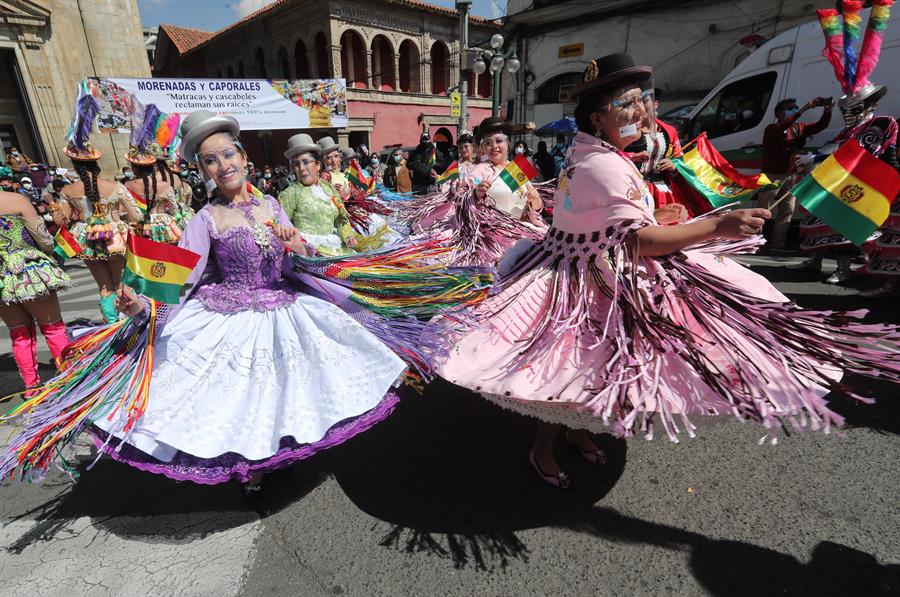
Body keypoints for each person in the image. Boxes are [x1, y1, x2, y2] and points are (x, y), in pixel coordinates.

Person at [435, 52, 900, 488]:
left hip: (583, 262)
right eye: (626, 103)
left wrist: (657, 217)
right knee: (562, 369)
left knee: (582, 370)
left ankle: (575, 434)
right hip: (588, 277)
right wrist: (718, 225)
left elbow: (608, 221)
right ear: (598, 117)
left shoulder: (588, 152)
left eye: (641, 100)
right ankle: (543, 449)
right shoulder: (604, 165)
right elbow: (636, 243)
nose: (639, 111)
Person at [0, 109, 492, 488]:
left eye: (228, 155)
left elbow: (291, 262)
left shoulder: (274, 204)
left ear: (244, 157)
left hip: (281, 304)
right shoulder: (204, 220)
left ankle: (274, 450)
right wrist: (141, 305)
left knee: (284, 391)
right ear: (205, 170)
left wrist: (295, 246)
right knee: (243, 396)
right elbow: (181, 279)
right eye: (210, 160)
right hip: (229, 312)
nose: (223, 165)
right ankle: (251, 466)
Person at [0, 190, 70, 395]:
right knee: (53, 327)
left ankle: (31, 388)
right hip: (27, 269)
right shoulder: (16, 199)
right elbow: (44, 239)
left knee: (19, 334)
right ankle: (70, 380)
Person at [758, 96, 834, 251]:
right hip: (771, 176)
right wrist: (803, 109)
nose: (794, 110)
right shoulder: (772, 128)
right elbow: (784, 127)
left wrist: (828, 111)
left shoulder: (799, 128)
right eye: (790, 108)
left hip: (790, 175)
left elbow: (821, 126)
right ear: (779, 114)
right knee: (762, 211)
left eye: (795, 107)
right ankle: (753, 242)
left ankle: (777, 244)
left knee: (787, 211)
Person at [277, 133, 373, 255]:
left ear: (317, 165)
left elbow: (341, 220)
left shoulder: (329, 189)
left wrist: (348, 236)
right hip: (311, 255)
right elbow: (280, 226)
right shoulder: (290, 194)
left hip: (336, 249)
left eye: (306, 162)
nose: (301, 168)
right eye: (296, 164)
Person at [469, 117, 543, 222]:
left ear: (507, 144)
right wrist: (475, 194)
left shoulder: (516, 167)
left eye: (499, 141)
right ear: (484, 148)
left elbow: (533, 206)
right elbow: (459, 199)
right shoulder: (479, 170)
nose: (494, 146)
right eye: (488, 143)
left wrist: (535, 200)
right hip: (494, 231)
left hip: (523, 228)